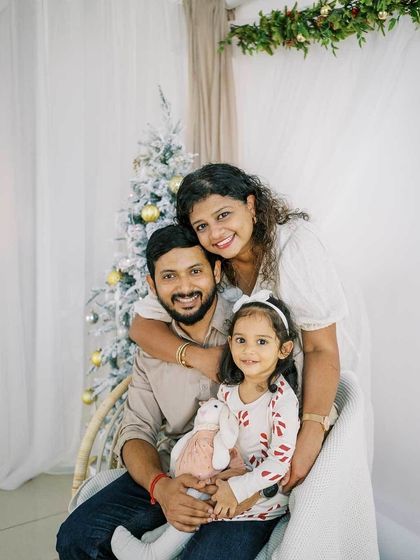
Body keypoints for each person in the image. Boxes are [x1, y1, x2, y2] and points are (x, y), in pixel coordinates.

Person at [56, 225, 277, 560]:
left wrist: (248, 486)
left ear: (217, 272)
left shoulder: (252, 329)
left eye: (196, 272)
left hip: (244, 481)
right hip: (175, 470)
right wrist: (162, 487)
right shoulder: (151, 350)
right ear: (152, 285)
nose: (185, 287)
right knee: (77, 536)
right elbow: (135, 431)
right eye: (169, 276)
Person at [129, 163, 348, 493]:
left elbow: (321, 348)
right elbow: (141, 328)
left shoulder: (293, 247)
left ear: (250, 204)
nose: (215, 233)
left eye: (223, 215)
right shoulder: (210, 254)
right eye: (201, 225)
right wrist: (199, 358)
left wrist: (311, 431)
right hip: (252, 411)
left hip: (305, 395)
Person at [110, 291, 300, 560]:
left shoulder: (281, 401)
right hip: (227, 473)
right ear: (230, 342)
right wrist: (212, 471)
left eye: (261, 342)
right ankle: (161, 540)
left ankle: (154, 551)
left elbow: (279, 462)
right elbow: (220, 434)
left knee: (206, 506)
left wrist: (237, 488)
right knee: (193, 495)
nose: (249, 350)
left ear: (284, 349)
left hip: (259, 493)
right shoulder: (229, 388)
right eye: (241, 340)